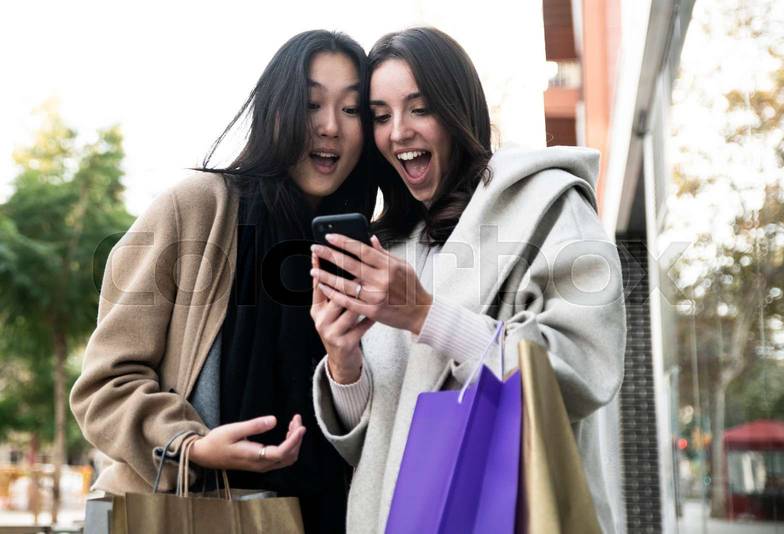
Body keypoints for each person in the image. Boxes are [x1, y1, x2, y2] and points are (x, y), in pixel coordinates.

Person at [309, 27, 627, 533]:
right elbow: (375, 441)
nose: (398, 133)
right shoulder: (390, 244)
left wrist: (425, 315)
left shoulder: (545, 203)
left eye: (419, 108)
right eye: (381, 116)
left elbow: (584, 368)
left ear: (457, 110)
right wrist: (344, 363)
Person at [70, 30, 379, 533]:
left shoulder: (366, 249)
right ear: (275, 111)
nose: (330, 128)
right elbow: (104, 385)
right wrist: (192, 447)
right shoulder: (195, 209)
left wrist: (348, 363)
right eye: (310, 104)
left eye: (351, 111)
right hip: (187, 512)